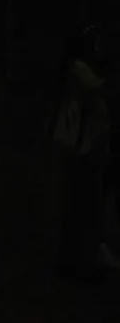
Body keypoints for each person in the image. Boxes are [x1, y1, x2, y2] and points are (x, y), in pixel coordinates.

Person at [52, 25, 113, 280]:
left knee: (81, 204)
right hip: (84, 146)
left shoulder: (76, 70)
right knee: (82, 203)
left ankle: (77, 258)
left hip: (84, 145)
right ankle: (78, 261)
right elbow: (97, 88)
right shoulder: (80, 70)